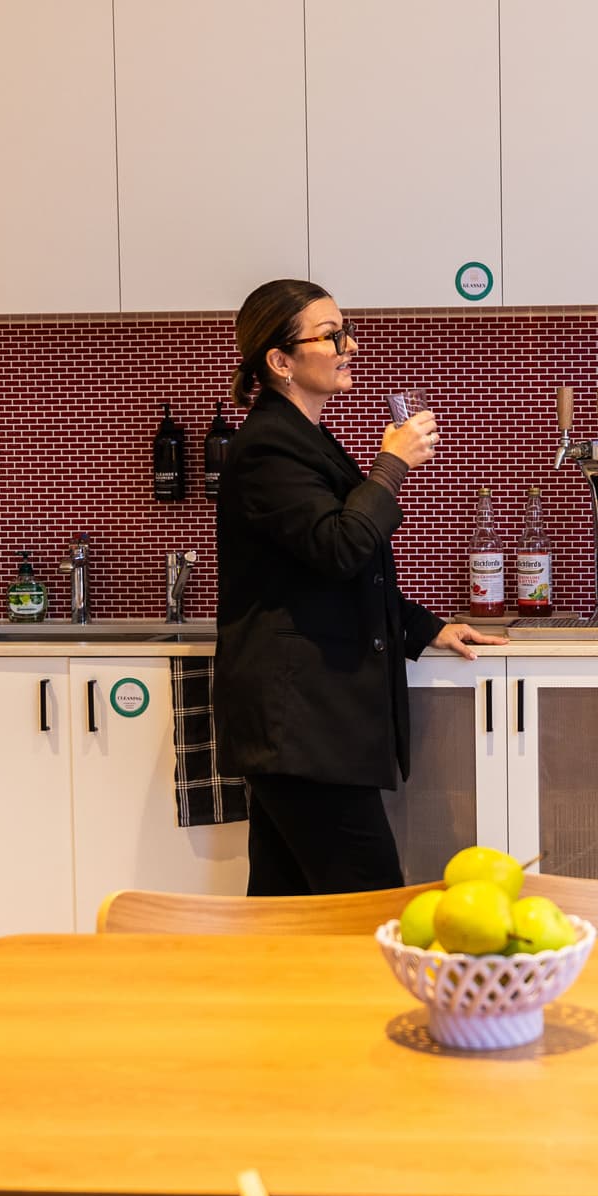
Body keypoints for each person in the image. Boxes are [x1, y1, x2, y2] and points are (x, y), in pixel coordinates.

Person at [216, 279, 506, 894]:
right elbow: (341, 549)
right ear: (280, 361)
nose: (350, 345)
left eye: (345, 330)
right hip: (301, 726)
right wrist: (393, 463)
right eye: (331, 335)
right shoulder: (267, 447)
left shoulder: (304, 439)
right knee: (366, 903)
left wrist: (429, 627)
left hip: (304, 728)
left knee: (285, 909)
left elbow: (329, 574)